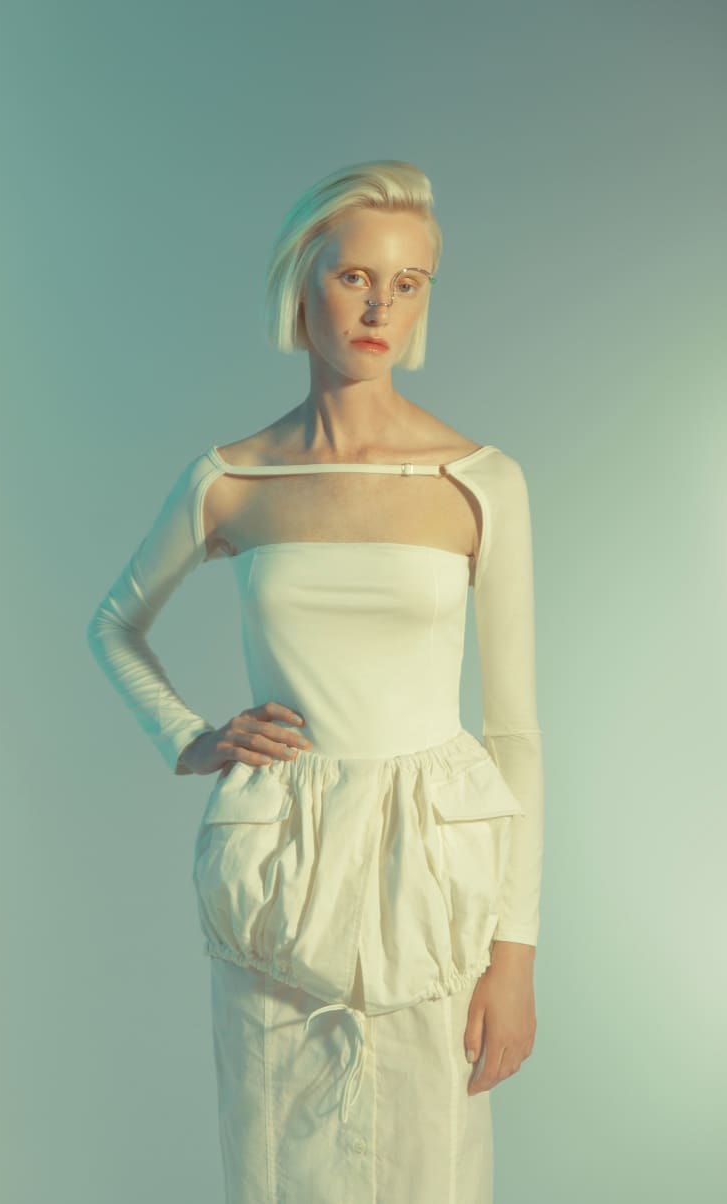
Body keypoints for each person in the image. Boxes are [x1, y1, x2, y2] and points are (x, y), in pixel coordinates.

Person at [86, 159, 544, 1203]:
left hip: (433, 872)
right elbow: (114, 624)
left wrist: (514, 955)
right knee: (277, 1174)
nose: (381, 307)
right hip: (277, 868)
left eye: (408, 283)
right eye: (355, 277)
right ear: (304, 282)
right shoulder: (233, 478)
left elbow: (515, 733)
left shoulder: (479, 482)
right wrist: (188, 735)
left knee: (435, 1175)